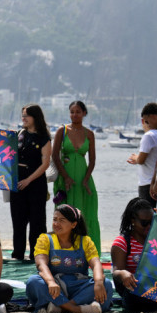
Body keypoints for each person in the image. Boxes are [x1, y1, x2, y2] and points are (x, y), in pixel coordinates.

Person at [25, 204, 113, 313]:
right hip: (55, 286)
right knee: (33, 282)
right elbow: (41, 265)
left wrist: (99, 283)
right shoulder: (45, 239)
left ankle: (61, 306)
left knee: (106, 284)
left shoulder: (85, 241)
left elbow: (96, 264)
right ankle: (77, 309)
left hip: (79, 286)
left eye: (62, 220)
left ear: (73, 224)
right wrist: (51, 282)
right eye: (55, 219)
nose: (56, 224)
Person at [51, 100, 101, 252]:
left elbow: (92, 160)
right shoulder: (62, 131)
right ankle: (63, 249)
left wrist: (86, 180)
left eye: (78, 112)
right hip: (65, 178)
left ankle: (87, 249)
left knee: (86, 212)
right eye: (72, 112)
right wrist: (65, 177)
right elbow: (54, 156)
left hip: (83, 178)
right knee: (64, 214)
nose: (74, 115)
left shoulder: (89, 134)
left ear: (84, 113)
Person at [111, 197, 157, 312]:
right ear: (132, 220)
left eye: (152, 222)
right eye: (144, 223)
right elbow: (116, 271)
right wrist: (123, 273)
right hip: (134, 292)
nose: (149, 226)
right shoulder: (122, 242)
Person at [10, 104, 51, 260]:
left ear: (36, 117)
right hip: (17, 182)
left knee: (37, 222)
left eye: (27, 115)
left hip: (36, 182)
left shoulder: (43, 137)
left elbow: (45, 163)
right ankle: (17, 254)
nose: (24, 118)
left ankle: (37, 255)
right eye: (22, 115)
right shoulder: (18, 134)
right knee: (18, 221)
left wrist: (28, 180)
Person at [127, 119, 157, 207]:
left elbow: (141, 160)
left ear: (143, 121)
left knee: (146, 215)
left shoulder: (148, 136)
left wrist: (135, 158)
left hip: (147, 183)